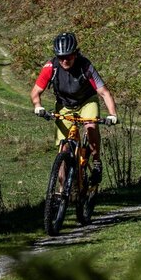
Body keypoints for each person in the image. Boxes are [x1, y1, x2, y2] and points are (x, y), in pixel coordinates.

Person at [31, 32, 117, 183]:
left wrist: (112, 114)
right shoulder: (51, 67)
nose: (64, 60)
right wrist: (38, 106)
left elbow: (104, 93)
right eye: (61, 57)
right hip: (64, 105)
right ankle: (62, 191)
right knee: (63, 149)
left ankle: (96, 161)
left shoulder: (85, 66)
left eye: (68, 56)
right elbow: (35, 92)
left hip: (86, 101)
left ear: (75, 54)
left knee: (90, 126)